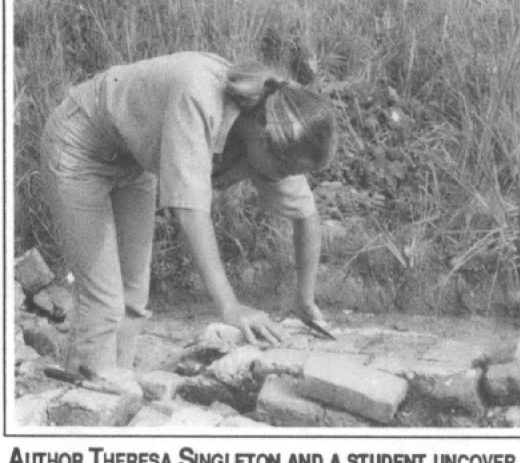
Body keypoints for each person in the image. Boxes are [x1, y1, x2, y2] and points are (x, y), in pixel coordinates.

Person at [40, 51, 338, 374]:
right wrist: (231, 307)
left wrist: (304, 300)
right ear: (262, 129)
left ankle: (115, 386)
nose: (283, 177)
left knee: (133, 298)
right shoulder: (198, 93)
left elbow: (305, 216)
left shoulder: (273, 142)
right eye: (283, 168)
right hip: (80, 144)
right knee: (103, 304)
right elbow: (190, 213)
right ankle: (87, 403)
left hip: (133, 162)